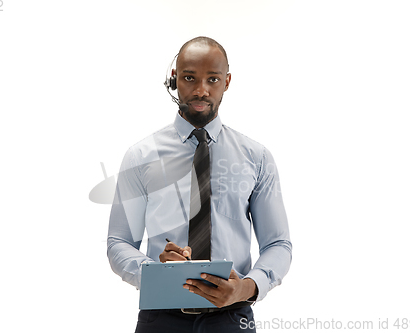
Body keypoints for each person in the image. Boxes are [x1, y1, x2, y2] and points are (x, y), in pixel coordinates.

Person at [107, 36, 292, 333]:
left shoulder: (256, 158)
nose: (201, 90)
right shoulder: (140, 156)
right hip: (160, 318)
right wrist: (156, 272)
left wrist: (247, 288)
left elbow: (277, 244)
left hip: (232, 317)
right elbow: (118, 243)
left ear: (227, 82)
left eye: (213, 79)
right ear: (174, 80)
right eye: (189, 78)